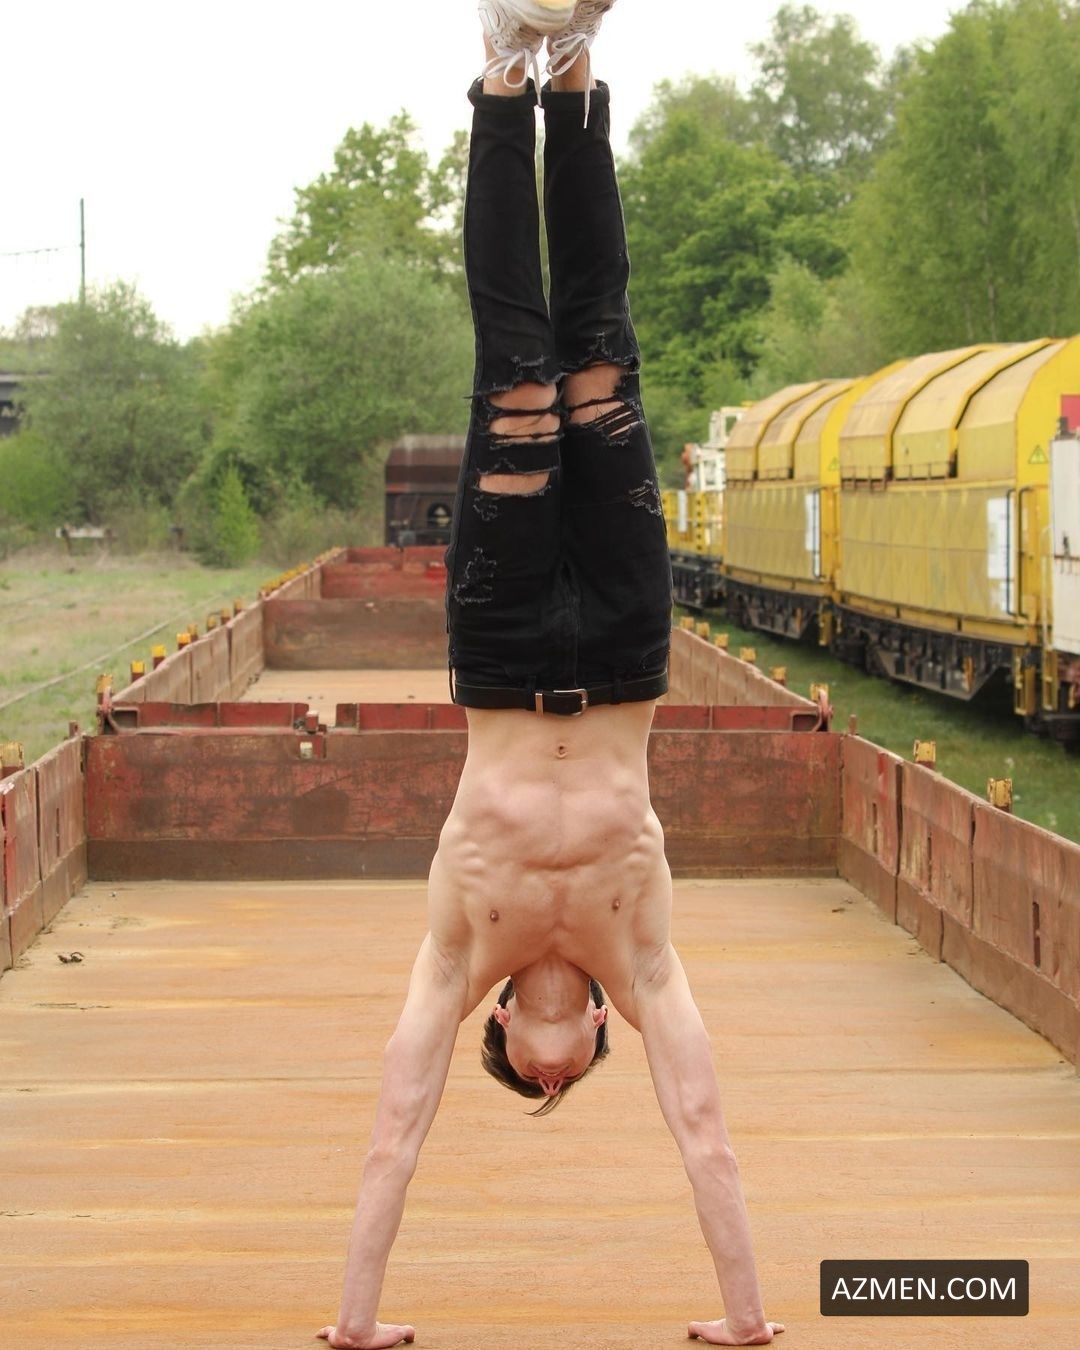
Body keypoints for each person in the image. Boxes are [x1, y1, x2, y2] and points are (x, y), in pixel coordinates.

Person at [317, 3, 784, 1346]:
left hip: (505, 644)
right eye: (572, 1079)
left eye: (534, 1080)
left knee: (518, 381)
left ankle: (495, 78)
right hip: (629, 644)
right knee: (600, 367)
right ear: (596, 1040)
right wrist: (746, 1323)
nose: (557, 1073)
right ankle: (571, 73)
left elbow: (394, 1132)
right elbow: (704, 1127)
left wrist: (355, 1324)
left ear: (509, 1043)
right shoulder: (645, 962)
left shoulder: (457, 954)